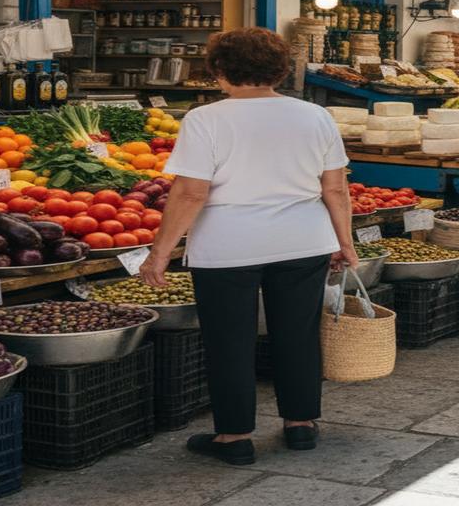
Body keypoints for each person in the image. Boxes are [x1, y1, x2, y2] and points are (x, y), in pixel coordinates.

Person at [139, 27, 359, 466]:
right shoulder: (314, 116)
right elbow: (335, 188)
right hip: (302, 241)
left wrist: (160, 251)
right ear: (279, 69)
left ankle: (234, 436)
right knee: (297, 335)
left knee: (229, 341)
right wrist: (344, 242)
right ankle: (300, 426)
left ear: (219, 70)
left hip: (229, 247)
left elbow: (189, 194)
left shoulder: (206, 119)